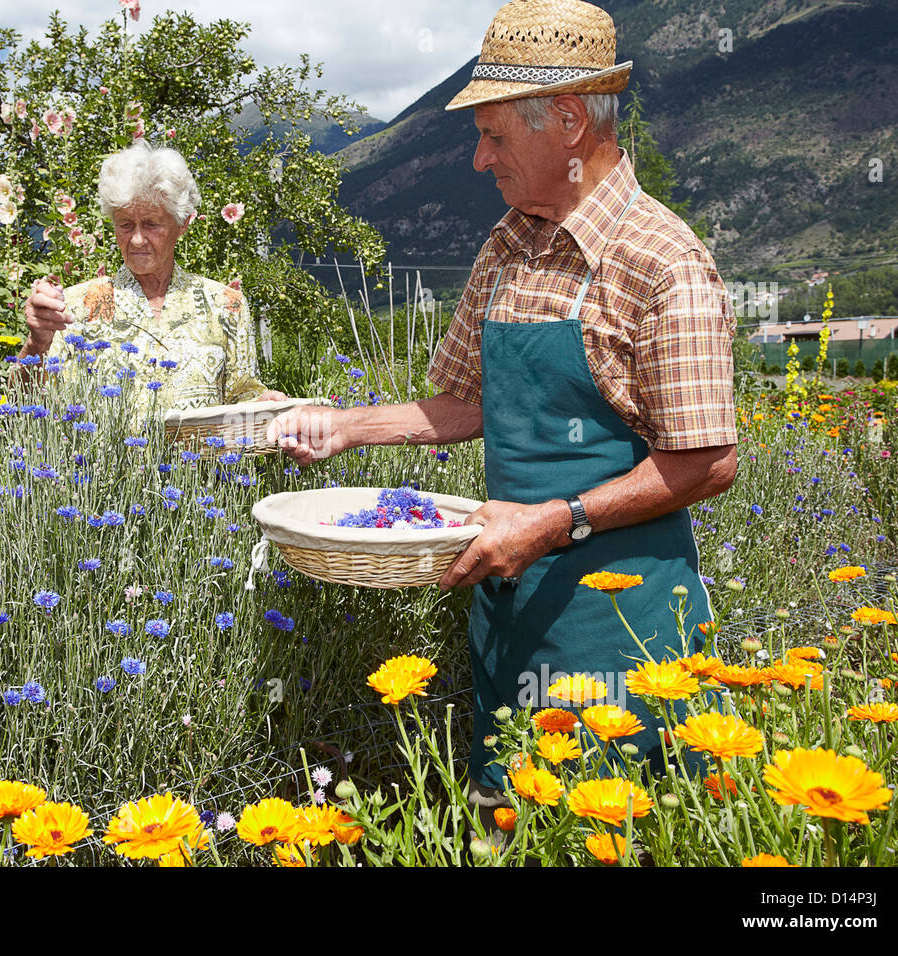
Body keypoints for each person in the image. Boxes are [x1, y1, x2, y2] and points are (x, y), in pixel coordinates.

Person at [268, 0, 737, 828]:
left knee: (612, 830)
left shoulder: (665, 262)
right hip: (509, 610)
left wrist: (549, 524)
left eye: (493, 135)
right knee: (504, 819)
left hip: (620, 628)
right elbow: (461, 403)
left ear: (564, 121)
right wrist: (341, 426)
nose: (480, 160)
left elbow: (707, 463)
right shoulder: (507, 246)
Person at [16, 140, 285, 410]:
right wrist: (37, 342)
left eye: (151, 224)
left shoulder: (226, 305)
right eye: (125, 225)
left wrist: (264, 403)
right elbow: (23, 406)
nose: (136, 239)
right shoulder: (73, 306)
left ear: (182, 224)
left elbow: (242, 396)